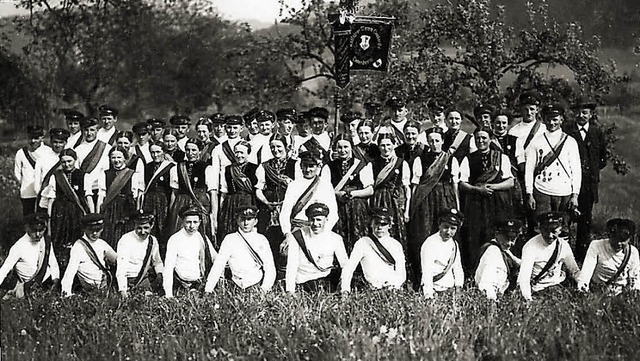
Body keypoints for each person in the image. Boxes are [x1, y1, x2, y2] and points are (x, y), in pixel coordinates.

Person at [407, 127, 459, 285]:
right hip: (426, 200)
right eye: (431, 141)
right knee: (425, 232)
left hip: (445, 197)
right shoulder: (420, 159)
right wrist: (412, 206)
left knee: (445, 232)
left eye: (437, 140)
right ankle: (423, 277)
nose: (434, 143)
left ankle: (445, 275)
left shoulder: (450, 159)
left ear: (443, 141)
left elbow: (455, 185)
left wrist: (457, 205)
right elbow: (415, 185)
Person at [459, 128, 515, 272]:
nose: (481, 141)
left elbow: (510, 182)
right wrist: (477, 189)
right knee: (476, 234)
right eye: (478, 138)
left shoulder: (501, 157)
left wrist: (493, 187)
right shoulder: (468, 158)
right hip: (476, 202)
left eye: (484, 138)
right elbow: (462, 183)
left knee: (495, 233)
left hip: (496, 203)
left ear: (490, 139)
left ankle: (499, 268)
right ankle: (475, 269)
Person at [563, 100, 608, 262]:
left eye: (585, 112)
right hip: (568, 184)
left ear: (590, 115)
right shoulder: (567, 131)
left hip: (589, 185)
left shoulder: (597, 132)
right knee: (565, 220)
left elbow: (603, 159)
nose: (581, 115)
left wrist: (591, 171)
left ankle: (581, 258)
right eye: (579, 112)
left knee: (585, 221)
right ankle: (563, 258)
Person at [524, 104, 581, 218]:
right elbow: (529, 170)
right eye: (548, 119)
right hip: (542, 190)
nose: (551, 123)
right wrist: (529, 193)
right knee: (543, 226)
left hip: (564, 192)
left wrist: (575, 195)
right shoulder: (536, 141)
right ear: (544, 120)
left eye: (555, 119)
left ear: (561, 119)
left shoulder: (570, 142)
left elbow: (576, 170)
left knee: (563, 227)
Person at [204, 206, 276, 293]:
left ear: (255, 221)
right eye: (242, 219)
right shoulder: (230, 239)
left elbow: (270, 267)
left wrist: (264, 289)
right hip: (235, 286)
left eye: (249, 219)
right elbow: (218, 265)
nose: (246, 223)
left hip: (255, 285)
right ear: (237, 220)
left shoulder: (261, 239)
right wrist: (208, 289)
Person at [40, 149, 92, 270]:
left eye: (69, 161)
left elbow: (88, 197)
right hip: (60, 212)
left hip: (77, 212)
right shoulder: (56, 176)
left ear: (75, 160)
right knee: (59, 239)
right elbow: (51, 199)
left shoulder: (84, 176)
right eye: (63, 162)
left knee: (77, 239)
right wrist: (49, 218)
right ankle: (59, 270)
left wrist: (91, 215)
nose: (67, 164)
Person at [255, 133, 296, 274]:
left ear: (286, 147)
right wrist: (267, 203)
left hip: (289, 208)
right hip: (268, 209)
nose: (275, 150)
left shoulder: (295, 164)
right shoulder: (264, 166)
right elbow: (258, 189)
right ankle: (269, 273)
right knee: (269, 240)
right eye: (272, 147)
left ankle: (286, 274)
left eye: (279, 146)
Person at [285, 202, 348, 293]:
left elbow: (345, 266)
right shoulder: (297, 237)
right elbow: (291, 266)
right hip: (304, 281)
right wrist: (290, 291)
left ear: (326, 219)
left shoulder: (335, 238)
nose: (315, 223)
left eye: (319, 220)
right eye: (312, 219)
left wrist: (345, 290)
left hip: (326, 281)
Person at [517, 212, 580, 301]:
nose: (550, 236)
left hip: (559, 286)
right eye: (546, 230)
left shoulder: (563, 245)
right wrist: (528, 300)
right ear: (540, 229)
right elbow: (524, 279)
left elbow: (575, 271)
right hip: (538, 290)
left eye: (554, 231)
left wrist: (583, 287)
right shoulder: (530, 247)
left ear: (560, 230)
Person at [340, 207, 406, 292]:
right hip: (371, 290)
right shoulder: (363, 243)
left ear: (389, 225)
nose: (379, 228)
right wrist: (345, 290)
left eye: (383, 224)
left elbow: (401, 273)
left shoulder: (396, 245)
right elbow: (349, 268)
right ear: (371, 224)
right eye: (376, 223)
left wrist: (395, 286)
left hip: (392, 290)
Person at [328, 134, 374, 251]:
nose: (343, 150)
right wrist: (337, 194)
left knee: (358, 237)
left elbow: (370, 190)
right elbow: (325, 188)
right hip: (337, 207)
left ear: (351, 147)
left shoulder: (362, 165)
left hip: (357, 208)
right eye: (339, 147)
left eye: (346, 147)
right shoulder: (329, 166)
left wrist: (354, 194)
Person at [279, 150, 338, 237]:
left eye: (311, 166)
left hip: (319, 229)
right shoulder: (293, 185)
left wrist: (324, 232)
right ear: (301, 166)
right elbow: (285, 212)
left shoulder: (325, 185)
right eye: (305, 166)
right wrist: (287, 233)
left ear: (318, 167)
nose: (307, 170)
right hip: (297, 230)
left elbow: (333, 213)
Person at [0, 213, 59, 299]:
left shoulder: (46, 242)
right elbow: (5, 268)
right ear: (27, 228)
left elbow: (53, 263)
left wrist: (55, 280)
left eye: (41, 230)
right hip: (29, 285)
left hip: (46, 280)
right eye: (34, 231)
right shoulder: (19, 246)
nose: (38, 234)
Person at [167, 140, 216, 241]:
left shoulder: (207, 168)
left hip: (200, 203)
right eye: (188, 150)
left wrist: (213, 215)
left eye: (194, 150)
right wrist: (172, 213)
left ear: (200, 151)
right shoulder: (178, 167)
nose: (190, 153)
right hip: (181, 203)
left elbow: (213, 194)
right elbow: (174, 193)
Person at [163, 206, 216, 298]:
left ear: (200, 222)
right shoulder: (175, 239)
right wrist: (169, 294)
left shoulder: (202, 237)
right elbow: (168, 267)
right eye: (188, 222)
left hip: (199, 281)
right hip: (181, 282)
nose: (192, 226)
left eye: (195, 222)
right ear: (182, 221)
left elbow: (215, 257)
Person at [578, 218, 640, 296]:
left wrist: (633, 296)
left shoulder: (633, 252)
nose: (619, 243)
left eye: (623, 240)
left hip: (620, 294)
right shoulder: (597, 245)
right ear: (609, 235)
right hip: (598, 292)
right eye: (615, 239)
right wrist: (582, 291)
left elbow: (635, 278)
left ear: (629, 239)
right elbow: (586, 271)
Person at [96, 146, 143, 247]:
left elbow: (136, 196)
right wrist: (98, 214)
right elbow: (101, 195)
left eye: (119, 157)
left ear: (125, 158)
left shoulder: (132, 174)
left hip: (126, 208)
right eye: (113, 158)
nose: (116, 160)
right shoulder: (105, 174)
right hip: (110, 208)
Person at [61, 213, 117, 296]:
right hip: (89, 288)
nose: (94, 233)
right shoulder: (79, 246)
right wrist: (66, 292)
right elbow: (70, 271)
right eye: (91, 230)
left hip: (105, 285)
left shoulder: (102, 243)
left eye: (98, 230)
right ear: (84, 229)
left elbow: (117, 260)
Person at [371, 133, 411, 243]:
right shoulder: (373, 163)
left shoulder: (401, 163)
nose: (386, 148)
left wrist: (406, 210)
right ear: (378, 146)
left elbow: (407, 188)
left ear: (394, 145)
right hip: (378, 199)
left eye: (388, 145)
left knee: (396, 229)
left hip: (395, 200)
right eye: (382, 145)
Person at [115, 211, 163, 297]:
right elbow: (121, 266)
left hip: (145, 277)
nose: (143, 232)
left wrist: (160, 274)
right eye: (139, 228)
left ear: (151, 226)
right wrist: (123, 289)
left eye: (146, 228)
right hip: (130, 278)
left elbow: (157, 262)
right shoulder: (126, 239)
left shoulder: (152, 240)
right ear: (134, 226)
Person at [217, 140, 258, 240]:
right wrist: (221, 210)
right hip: (231, 204)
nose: (239, 155)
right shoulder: (227, 170)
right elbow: (224, 192)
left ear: (248, 153)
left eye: (242, 153)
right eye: (236, 152)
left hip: (248, 202)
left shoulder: (255, 168)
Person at [140, 143, 176, 255]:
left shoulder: (171, 167)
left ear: (163, 152)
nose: (155, 155)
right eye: (152, 152)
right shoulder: (147, 167)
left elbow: (173, 190)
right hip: (149, 202)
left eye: (158, 152)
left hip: (163, 202)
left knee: (163, 229)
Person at [420, 209, 465, 299]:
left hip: (450, 290)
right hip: (434, 289)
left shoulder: (454, 244)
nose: (448, 232)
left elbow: (457, 268)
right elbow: (426, 271)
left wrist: (458, 287)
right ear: (439, 225)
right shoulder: (430, 243)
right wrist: (429, 294)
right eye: (445, 227)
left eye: (453, 229)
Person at [474, 218, 523, 300]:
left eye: (513, 239)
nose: (509, 243)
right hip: (491, 298)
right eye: (506, 238)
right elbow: (486, 283)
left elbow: (518, 262)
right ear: (497, 234)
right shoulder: (492, 251)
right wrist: (492, 304)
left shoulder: (504, 251)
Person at [14, 125, 51, 215]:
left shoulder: (48, 151)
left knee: (44, 217)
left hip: (44, 192)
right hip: (27, 192)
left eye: (36, 138)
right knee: (28, 217)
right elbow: (17, 173)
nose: (33, 141)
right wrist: (25, 183)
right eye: (30, 138)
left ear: (42, 137)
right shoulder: (21, 153)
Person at [74, 117, 111, 199]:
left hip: (101, 189)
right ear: (82, 131)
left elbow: (107, 170)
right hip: (83, 189)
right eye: (86, 130)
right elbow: (76, 171)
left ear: (97, 130)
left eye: (92, 130)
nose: (89, 133)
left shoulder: (106, 148)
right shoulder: (77, 150)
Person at [34, 128, 70, 212]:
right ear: (50, 142)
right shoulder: (42, 159)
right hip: (46, 198)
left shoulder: (70, 158)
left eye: (61, 142)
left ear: (65, 143)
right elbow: (37, 183)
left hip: (65, 199)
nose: (57, 145)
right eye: (55, 142)